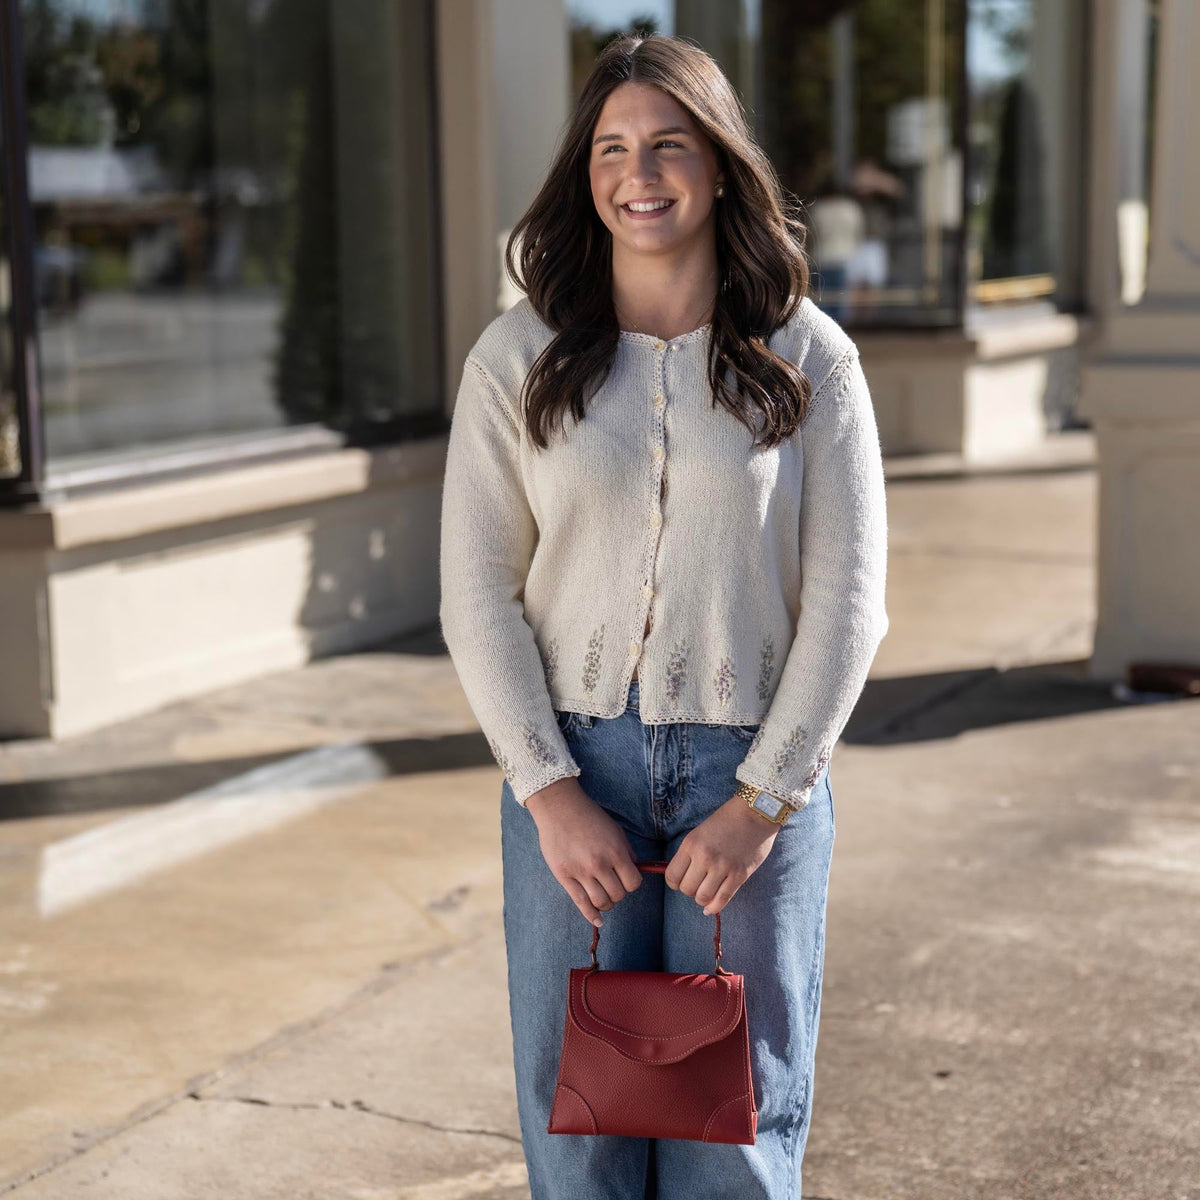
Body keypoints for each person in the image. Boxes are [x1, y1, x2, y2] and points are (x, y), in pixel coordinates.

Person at [438, 32, 889, 1200]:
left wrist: (763, 804)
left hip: (753, 774)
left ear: (722, 166)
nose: (640, 174)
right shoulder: (517, 360)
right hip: (575, 773)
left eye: (669, 145)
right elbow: (477, 594)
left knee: (730, 1134)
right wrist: (547, 790)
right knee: (578, 1129)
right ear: (585, 175)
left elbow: (848, 605)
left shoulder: (810, 361)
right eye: (613, 149)